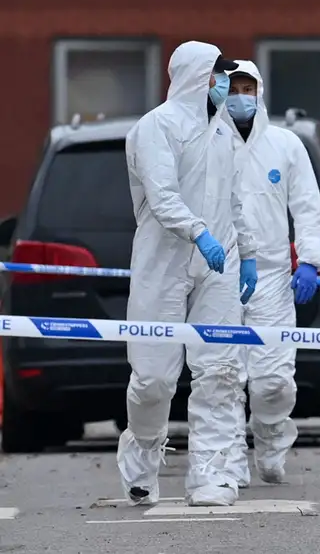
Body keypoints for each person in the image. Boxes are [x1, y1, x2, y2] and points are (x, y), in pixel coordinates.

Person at [120, 41, 258, 507]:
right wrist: (199, 233)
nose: (225, 83)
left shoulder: (223, 133)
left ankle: (212, 473)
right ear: (197, 76)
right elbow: (162, 196)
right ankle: (141, 455)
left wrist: (248, 252)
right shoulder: (155, 127)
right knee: (153, 377)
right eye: (219, 75)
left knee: (220, 370)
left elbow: (234, 200)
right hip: (163, 261)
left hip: (219, 264)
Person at [219, 60, 320, 487]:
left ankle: (271, 441)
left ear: (259, 92)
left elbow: (307, 205)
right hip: (219, 275)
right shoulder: (209, 140)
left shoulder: (286, 145)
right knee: (222, 375)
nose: (240, 97)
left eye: (248, 89)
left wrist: (310, 260)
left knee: (274, 380)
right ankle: (228, 460)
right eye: (233, 88)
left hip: (274, 278)